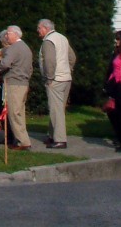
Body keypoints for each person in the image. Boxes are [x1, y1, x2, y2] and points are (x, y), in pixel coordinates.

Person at [37, 18, 75, 149]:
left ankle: (60, 140)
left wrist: (50, 78)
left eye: (39, 28)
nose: (38, 31)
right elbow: (72, 57)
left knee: (55, 109)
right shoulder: (63, 38)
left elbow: (49, 61)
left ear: (45, 28)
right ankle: (52, 135)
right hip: (66, 78)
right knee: (59, 108)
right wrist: (68, 70)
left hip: (56, 79)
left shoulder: (48, 41)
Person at [0, 24, 33, 150]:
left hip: (13, 83)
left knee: (13, 113)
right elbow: (30, 68)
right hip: (24, 83)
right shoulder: (26, 48)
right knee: (20, 112)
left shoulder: (14, 48)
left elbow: (5, 63)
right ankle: (21, 139)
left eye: (8, 34)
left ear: (15, 34)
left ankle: (23, 141)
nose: (6, 36)